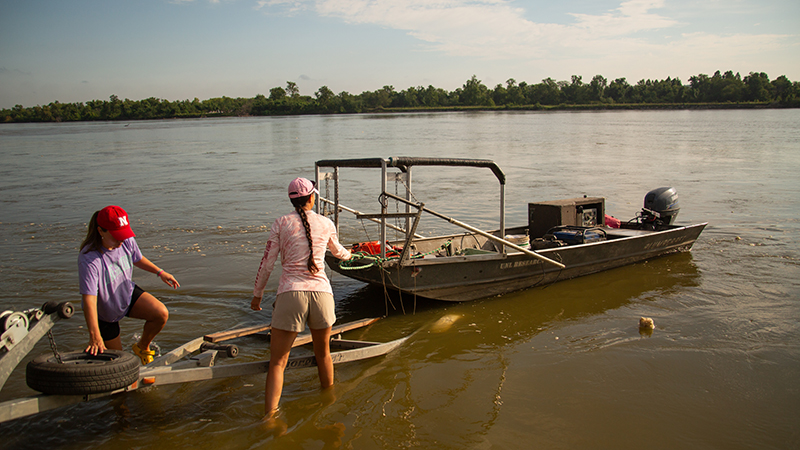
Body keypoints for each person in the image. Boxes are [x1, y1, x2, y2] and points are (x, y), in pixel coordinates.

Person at [251, 177, 352, 418]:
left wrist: (257, 296)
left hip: (291, 293)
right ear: (312, 198)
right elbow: (339, 252)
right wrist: (351, 255)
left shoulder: (280, 223)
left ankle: (270, 417)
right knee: (323, 354)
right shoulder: (326, 223)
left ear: (291, 200)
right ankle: (329, 404)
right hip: (322, 295)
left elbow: (266, 264)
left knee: (277, 363)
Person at [78, 205, 179, 365]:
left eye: (123, 235)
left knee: (161, 314)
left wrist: (160, 272)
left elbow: (137, 258)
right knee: (120, 363)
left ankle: (142, 346)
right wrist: (94, 334)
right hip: (104, 311)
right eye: (117, 236)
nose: (121, 240)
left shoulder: (125, 240)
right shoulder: (90, 259)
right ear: (100, 231)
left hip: (125, 293)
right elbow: (89, 300)